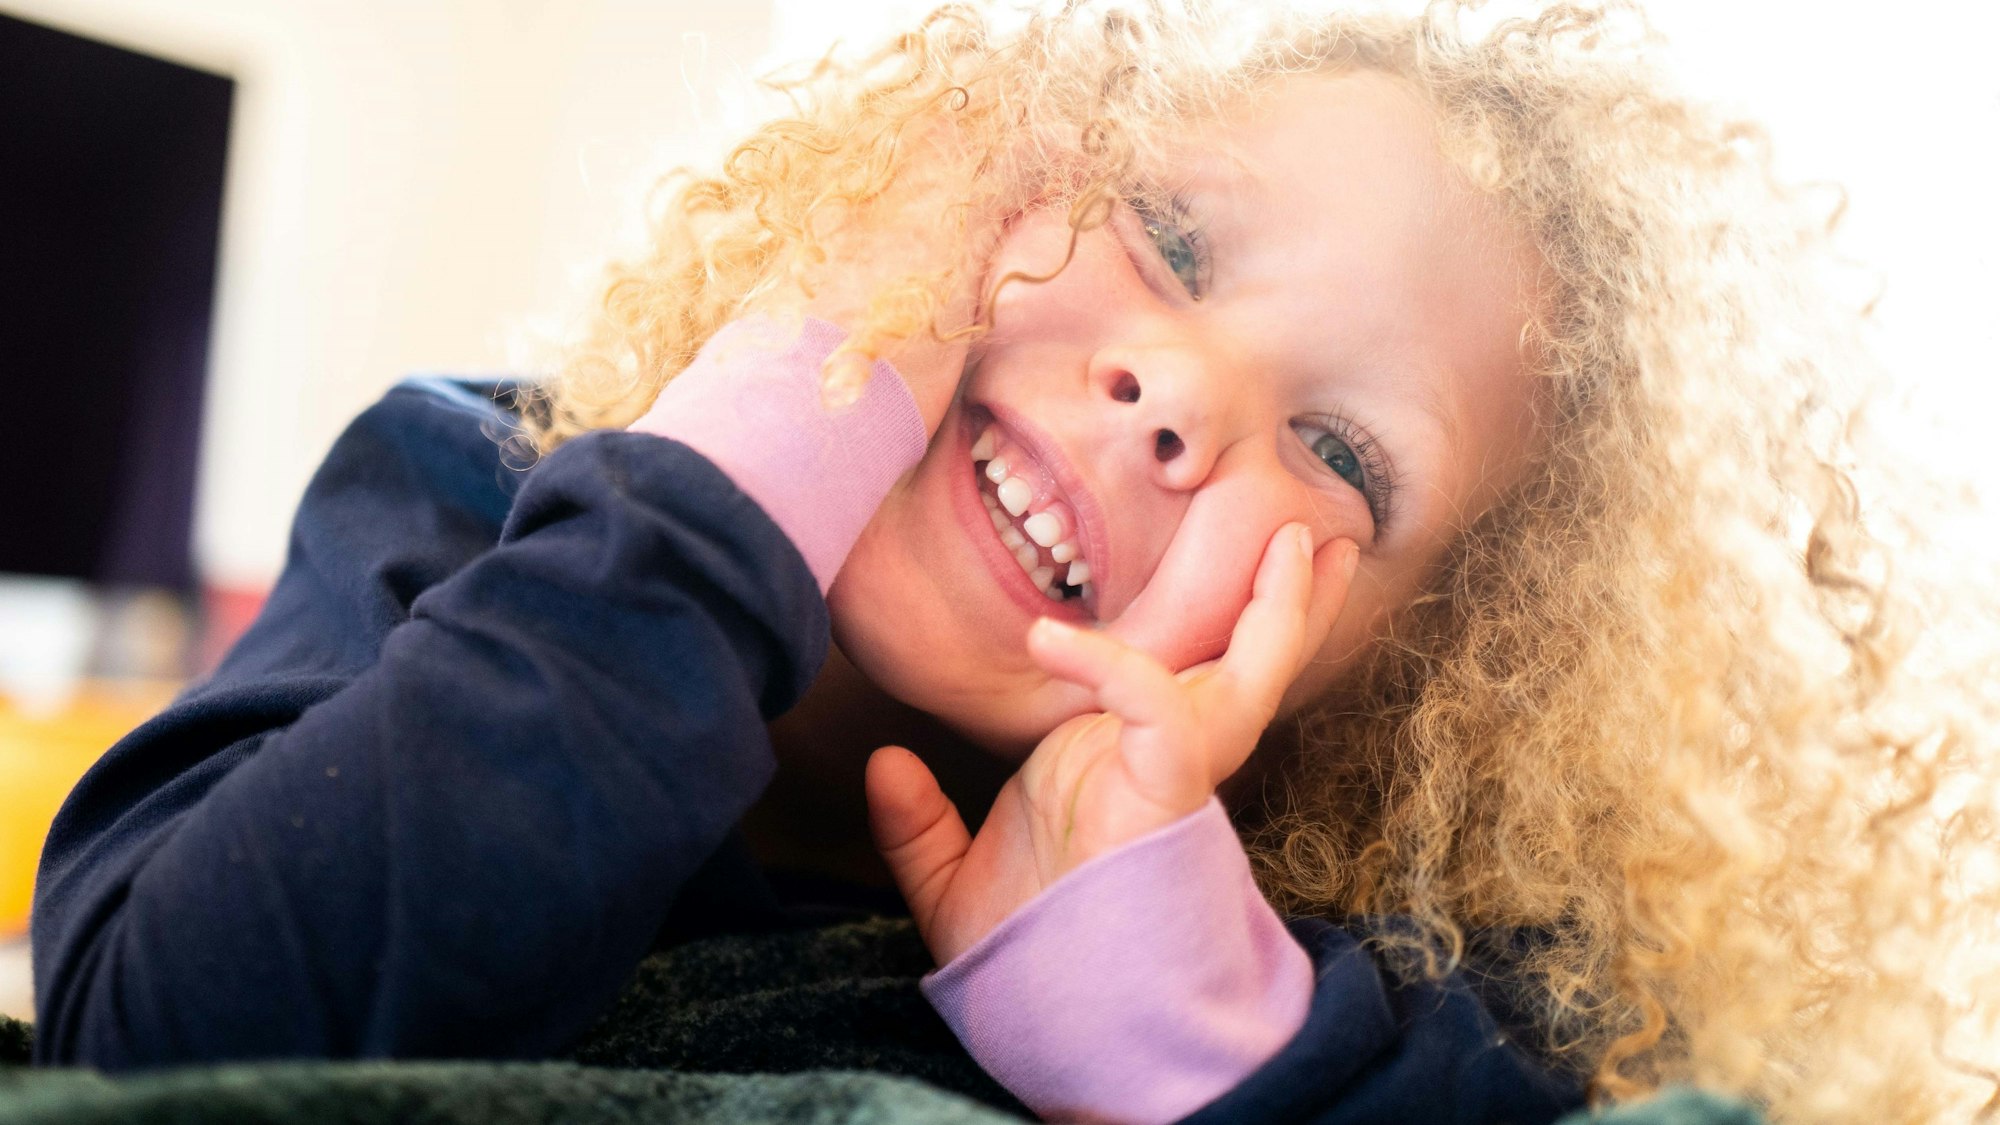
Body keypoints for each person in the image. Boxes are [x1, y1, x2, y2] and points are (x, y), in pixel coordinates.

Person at [28, 1, 1999, 1122]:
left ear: (1401, 689)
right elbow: (159, 1040)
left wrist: (1209, 1033)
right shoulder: (472, 484)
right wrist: (723, 487)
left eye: (1337, 448)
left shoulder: (1361, 956)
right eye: (1175, 239)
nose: (1177, 392)